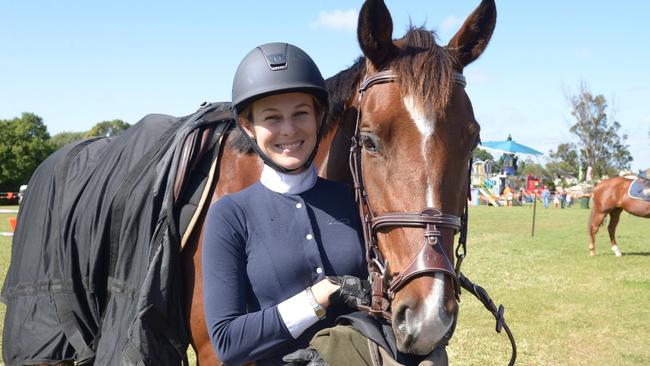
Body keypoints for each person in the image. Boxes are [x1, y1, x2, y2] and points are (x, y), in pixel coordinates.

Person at [201, 43, 368, 366]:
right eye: (272, 118)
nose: (289, 130)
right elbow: (227, 341)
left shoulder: (352, 202)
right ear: (248, 127)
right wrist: (321, 295)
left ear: (320, 116)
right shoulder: (230, 215)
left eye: (301, 114)